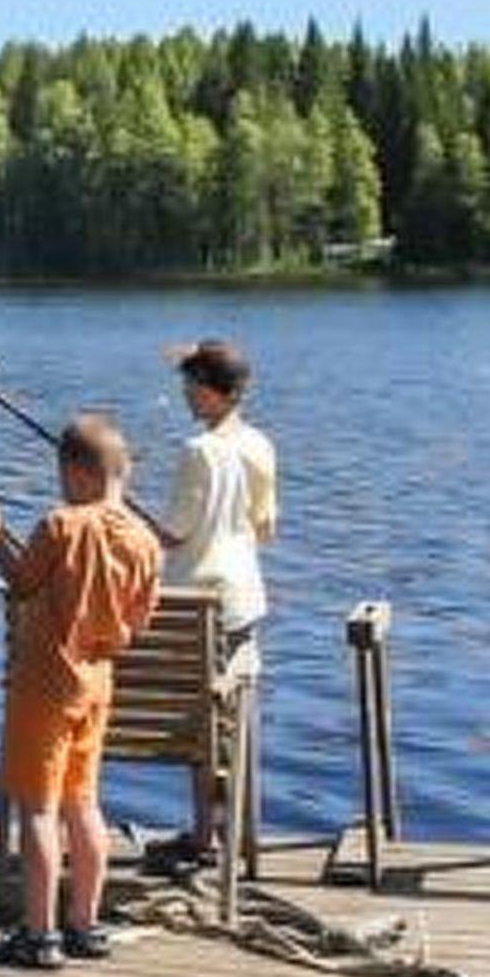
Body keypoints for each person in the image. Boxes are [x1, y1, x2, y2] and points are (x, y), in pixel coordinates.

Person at [0, 413, 162, 969]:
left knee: (38, 808)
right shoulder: (147, 541)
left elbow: (22, 585)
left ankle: (39, 934)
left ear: (76, 473)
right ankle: (84, 923)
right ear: (121, 471)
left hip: (44, 685)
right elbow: (138, 623)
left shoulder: (60, 524)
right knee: (84, 803)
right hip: (97, 684)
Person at [158, 337, 277, 854]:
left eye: (190, 383)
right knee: (230, 717)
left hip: (197, 601)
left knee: (199, 721)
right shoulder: (261, 445)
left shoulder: (196, 451)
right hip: (245, 599)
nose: (185, 393)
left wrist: (143, 524)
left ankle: (205, 833)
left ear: (210, 391)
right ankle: (235, 833)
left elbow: (177, 531)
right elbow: (265, 527)